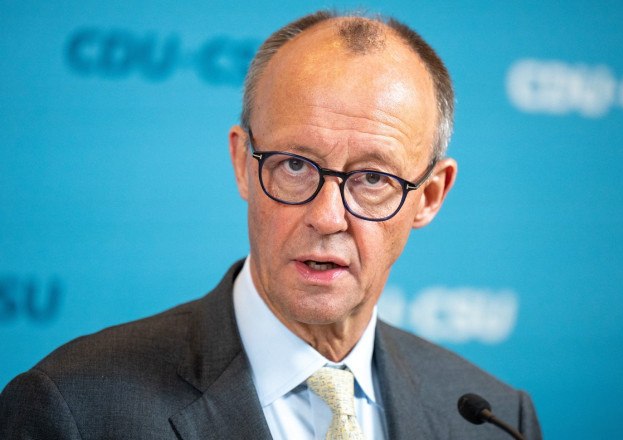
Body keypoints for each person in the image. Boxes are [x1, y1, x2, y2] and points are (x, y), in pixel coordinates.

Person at [0, 10, 541, 439]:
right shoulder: (75, 410)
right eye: (295, 166)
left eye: (373, 178)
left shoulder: (494, 419)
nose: (327, 216)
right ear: (242, 163)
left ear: (429, 196)